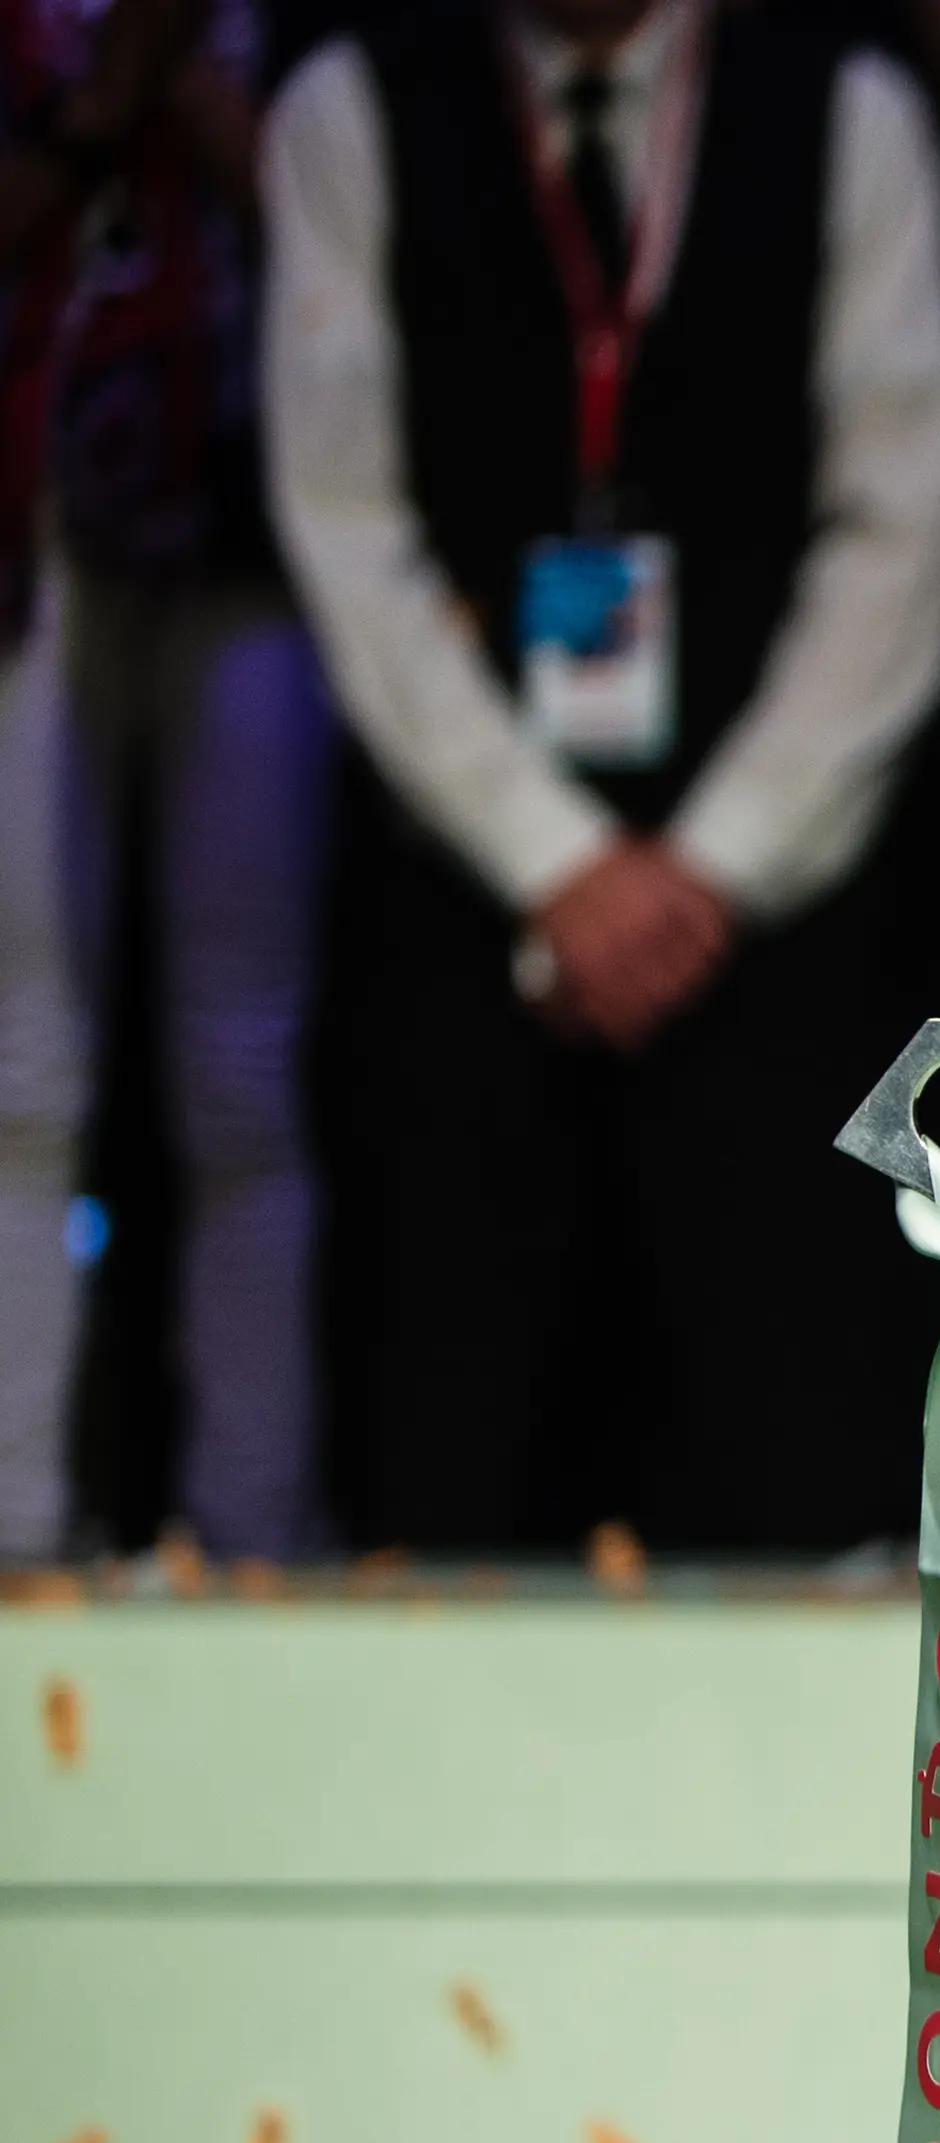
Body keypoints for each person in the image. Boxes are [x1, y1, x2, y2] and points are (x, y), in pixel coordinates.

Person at [261, 0, 940, 1549]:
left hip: (777, 923)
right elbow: (345, 526)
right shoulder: (350, 106)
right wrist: (554, 862)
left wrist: (713, 862)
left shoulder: (848, 108)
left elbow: (899, 532)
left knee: (783, 1474)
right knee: (446, 1473)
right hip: (460, 919)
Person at [0, 0, 334, 1578]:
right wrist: (96, 107)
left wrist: (199, 112)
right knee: (22, 1068)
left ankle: (252, 1536)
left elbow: (368, 246)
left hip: (253, 530)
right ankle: (16, 1533)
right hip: (32, 533)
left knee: (244, 1074)